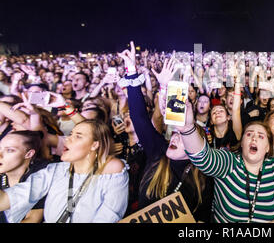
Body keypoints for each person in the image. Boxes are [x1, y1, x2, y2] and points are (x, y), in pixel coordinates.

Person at [118, 41, 213, 222]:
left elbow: (203, 216)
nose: (174, 138)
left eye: (182, 136)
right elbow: (139, 117)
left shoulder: (204, 177)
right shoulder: (158, 152)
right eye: (175, 134)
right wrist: (131, 70)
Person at [179, 104, 274, 223]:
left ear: (267, 148)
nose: (254, 138)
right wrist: (188, 128)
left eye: (261, 136)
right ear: (242, 143)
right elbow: (203, 158)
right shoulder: (229, 162)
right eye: (249, 134)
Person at [0, 119, 128, 223]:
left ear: (94, 145)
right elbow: (7, 199)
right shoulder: (54, 171)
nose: (68, 139)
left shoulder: (112, 171)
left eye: (78, 136)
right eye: (70, 134)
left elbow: (110, 216)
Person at [0, 130, 49, 223]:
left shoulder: (39, 175)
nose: (0, 155)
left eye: (9, 150)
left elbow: (33, 219)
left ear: (29, 154)